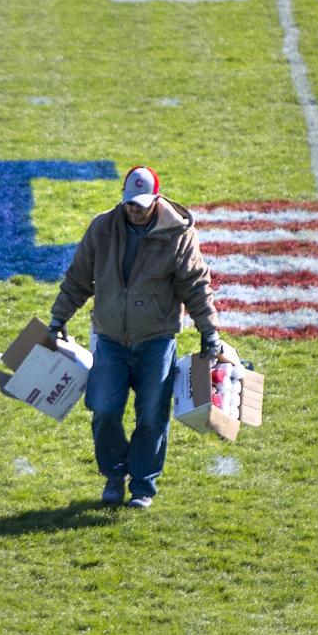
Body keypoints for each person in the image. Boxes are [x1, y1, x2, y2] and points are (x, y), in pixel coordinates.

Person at [47, 165, 221, 509]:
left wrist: (209, 332)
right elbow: (78, 278)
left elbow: (196, 286)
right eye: (130, 204)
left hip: (156, 339)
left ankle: (142, 485)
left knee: (152, 415)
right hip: (110, 338)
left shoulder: (178, 235)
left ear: (156, 199)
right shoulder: (102, 228)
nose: (135, 210)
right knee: (104, 409)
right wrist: (58, 318)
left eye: (142, 204)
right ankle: (114, 473)